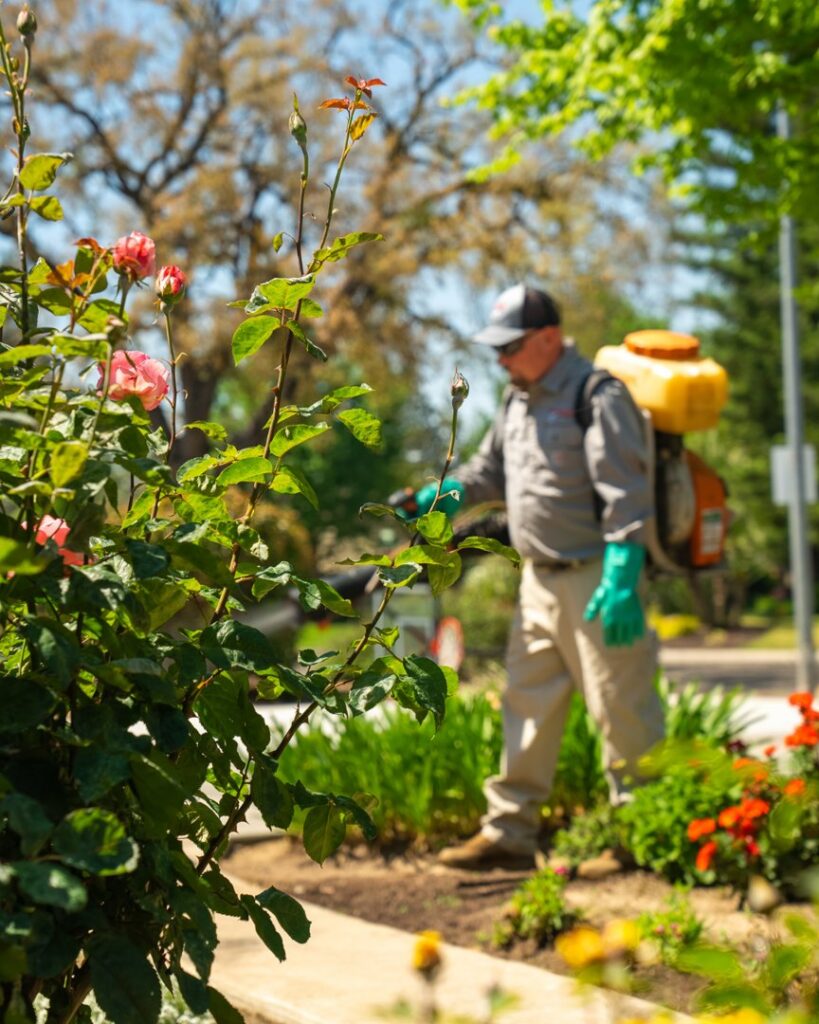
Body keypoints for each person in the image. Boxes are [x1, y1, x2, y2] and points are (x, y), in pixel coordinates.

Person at [422, 282, 665, 870]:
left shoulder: (596, 395)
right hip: (537, 581)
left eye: (510, 347)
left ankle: (642, 835)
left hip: (596, 579)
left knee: (621, 708)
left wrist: (622, 577)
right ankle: (509, 832)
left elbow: (627, 496)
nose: (500, 359)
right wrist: (443, 494)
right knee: (525, 705)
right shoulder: (517, 399)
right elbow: (488, 472)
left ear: (550, 338)